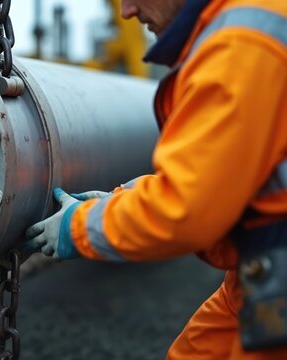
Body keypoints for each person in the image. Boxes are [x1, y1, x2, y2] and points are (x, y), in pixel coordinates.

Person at [25, 0, 287, 358]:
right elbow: (222, 170)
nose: (127, 12)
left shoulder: (239, 46)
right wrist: (122, 201)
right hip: (262, 264)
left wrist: (79, 228)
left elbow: (184, 210)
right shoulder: (247, 28)